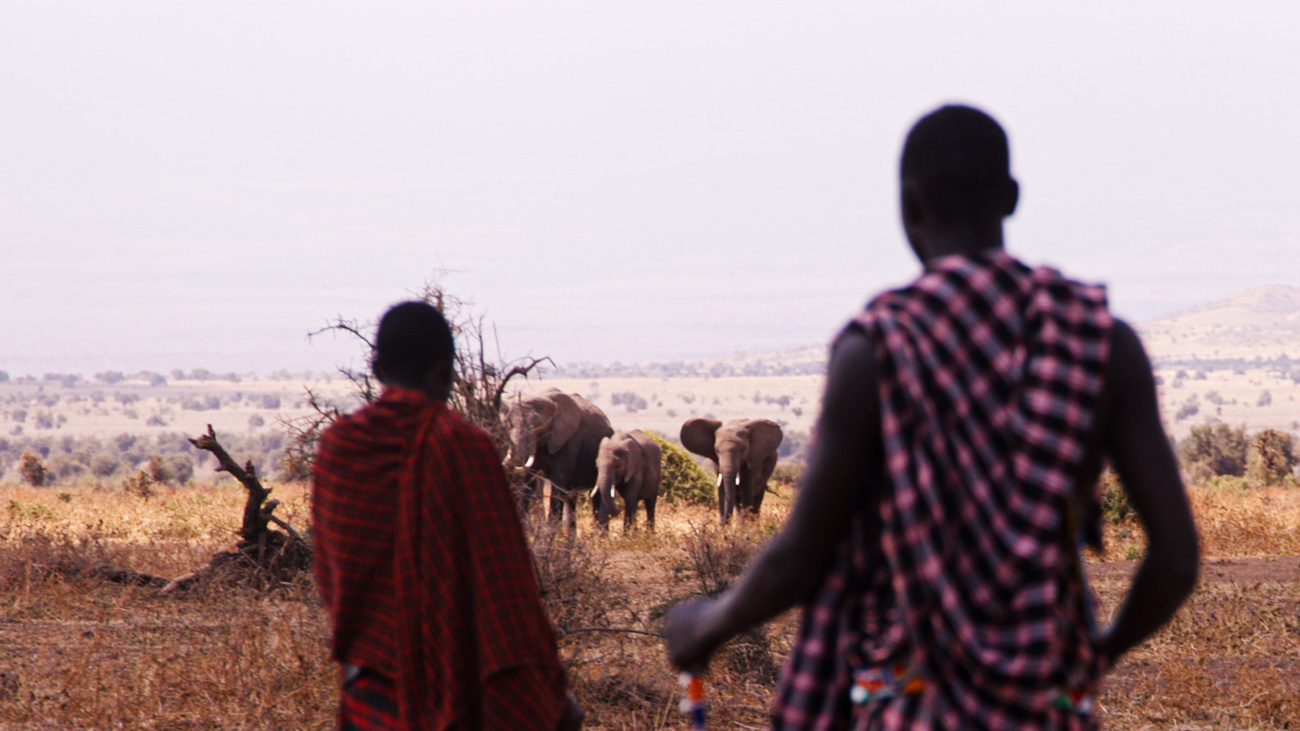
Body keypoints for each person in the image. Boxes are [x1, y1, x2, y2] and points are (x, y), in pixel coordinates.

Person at [664, 105, 1199, 729]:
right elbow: (1176, 560)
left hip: (908, 707)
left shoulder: (878, 350)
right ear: (1012, 198)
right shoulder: (1101, 343)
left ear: (908, 207)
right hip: (1048, 708)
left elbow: (801, 558)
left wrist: (708, 623)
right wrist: (1092, 655)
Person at [312, 301, 584, 731]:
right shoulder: (463, 445)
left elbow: (332, 580)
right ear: (446, 371)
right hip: (461, 692)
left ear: (376, 367)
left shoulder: (336, 448)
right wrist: (544, 691)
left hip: (371, 695)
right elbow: (508, 587)